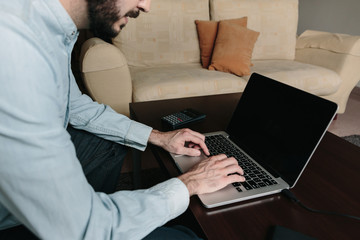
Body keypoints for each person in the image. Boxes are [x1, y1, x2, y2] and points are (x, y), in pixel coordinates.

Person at [0, 0, 245, 239]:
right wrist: (189, 183)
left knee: (107, 144)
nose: (146, 6)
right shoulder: (15, 48)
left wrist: (158, 137)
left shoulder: (49, 27)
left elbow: (74, 106)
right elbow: (87, 227)